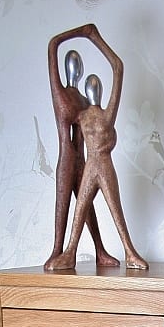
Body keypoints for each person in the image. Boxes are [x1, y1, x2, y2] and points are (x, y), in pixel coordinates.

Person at [45, 28, 147, 271]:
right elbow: (118, 68)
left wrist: (91, 36)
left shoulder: (82, 111)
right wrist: (90, 36)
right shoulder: (78, 106)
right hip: (83, 162)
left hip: (90, 163)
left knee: (88, 208)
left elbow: (118, 69)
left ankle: (96, 251)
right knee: (88, 208)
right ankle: (67, 251)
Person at [44, 25, 118, 270]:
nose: (75, 68)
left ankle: (99, 250)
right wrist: (84, 33)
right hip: (67, 158)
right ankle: (58, 250)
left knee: (85, 207)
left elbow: (95, 137)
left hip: (84, 161)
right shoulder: (61, 94)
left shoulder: (85, 102)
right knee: (65, 204)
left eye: (77, 64)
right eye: (72, 63)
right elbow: (53, 44)